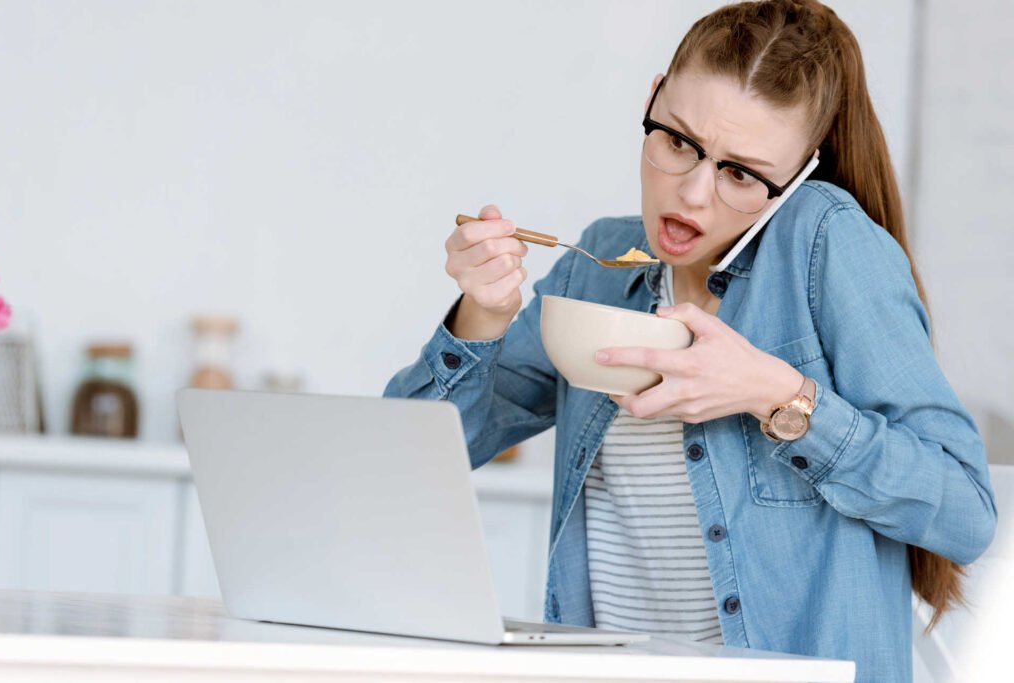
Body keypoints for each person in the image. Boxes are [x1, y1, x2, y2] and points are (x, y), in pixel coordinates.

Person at [384, 1, 996, 680]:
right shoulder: (603, 260)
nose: (693, 193)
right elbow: (409, 453)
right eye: (678, 141)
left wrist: (777, 396)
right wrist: (483, 313)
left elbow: (964, 510)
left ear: (795, 177)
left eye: (741, 173)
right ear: (652, 99)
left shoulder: (828, 243)